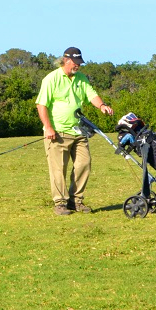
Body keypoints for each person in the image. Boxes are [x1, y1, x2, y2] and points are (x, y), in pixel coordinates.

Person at [35, 47, 115, 216]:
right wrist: (48, 127)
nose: (78, 66)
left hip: (78, 131)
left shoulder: (81, 78)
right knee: (58, 169)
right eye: (76, 63)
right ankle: (60, 203)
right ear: (67, 60)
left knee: (83, 164)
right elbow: (41, 104)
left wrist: (102, 105)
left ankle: (75, 201)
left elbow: (91, 94)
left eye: (79, 63)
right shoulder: (51, 79)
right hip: (57, 133)